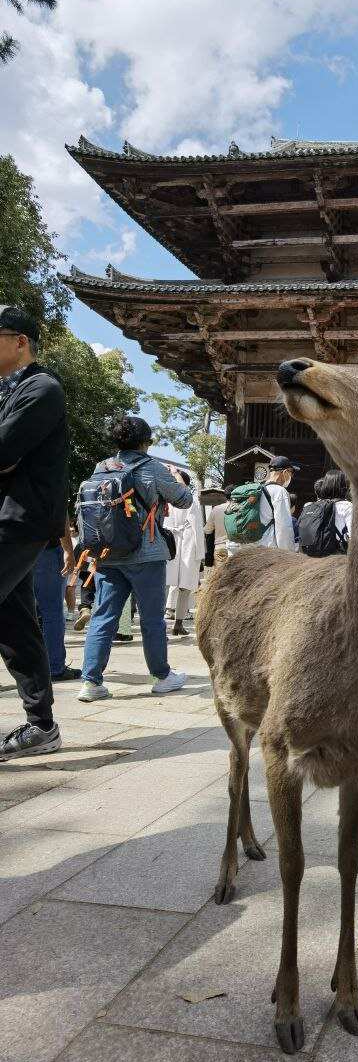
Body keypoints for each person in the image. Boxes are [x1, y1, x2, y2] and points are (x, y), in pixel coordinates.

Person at [78, 416, 193, 703]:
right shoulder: (152, 467)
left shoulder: (101, 467)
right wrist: (177, 479)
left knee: (103, 617)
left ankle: (91, 682)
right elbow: (184, 500)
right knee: (152, 618)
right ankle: (162, 676)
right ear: (145, 441)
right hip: (146, 553)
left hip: (108, 553)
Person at [0, 306, 68, 759]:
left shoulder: (41, 389)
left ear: (19, 341)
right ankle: (41, 726)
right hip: (10, 515)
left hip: (20, 517)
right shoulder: (11, 392)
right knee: (13, 622)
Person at [33, 518, 81, 682]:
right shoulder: (51, 489)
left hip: (18, 546)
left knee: (30, 612)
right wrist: (68, 549)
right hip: (47, 549)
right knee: (51, 612)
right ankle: (55, 667)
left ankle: (35, 665)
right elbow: (60, 515)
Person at [164, 471, 206, 636]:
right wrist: (199, 553)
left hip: (170, 541)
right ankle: (178, 623)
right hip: (186, 543)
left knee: (166, 584)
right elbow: (197, 526)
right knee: (183, 587)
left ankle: (165, 623)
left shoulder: (168, 498)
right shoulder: (191, 499)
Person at [299, 469, 351, 556]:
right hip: (338, 556)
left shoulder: (315, 506)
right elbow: (354, 536)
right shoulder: (347, 506)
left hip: (315, 553)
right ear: (344, 486)